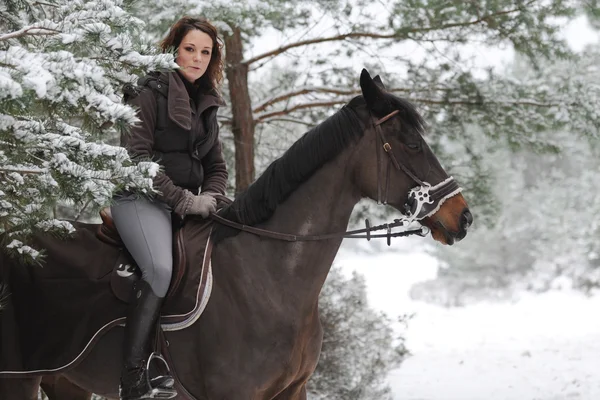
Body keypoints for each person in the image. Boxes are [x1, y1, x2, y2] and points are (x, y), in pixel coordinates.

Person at [111, 16, 228, 400]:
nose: (197, 58)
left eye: (205, 52)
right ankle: (132, 378)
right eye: (190, 49)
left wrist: (209, 198)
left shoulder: (206, 99)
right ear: (173, 49)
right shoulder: (148, 90)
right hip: (140, 197)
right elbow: (136, 159)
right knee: (160, 269)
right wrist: (184, 199)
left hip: (187, 204)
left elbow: (217, 166)